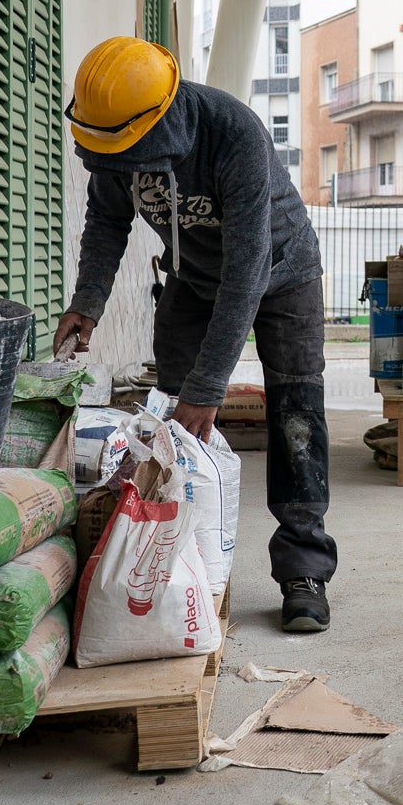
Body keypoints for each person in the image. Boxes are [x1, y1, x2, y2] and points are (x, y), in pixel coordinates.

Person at [54, 36, 335, 633]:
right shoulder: (115, 135)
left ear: (162, 116)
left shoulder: (233, 133)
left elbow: (246, 271)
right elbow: (107, 220)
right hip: (192, 276)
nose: (121, 164)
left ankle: (303, 570)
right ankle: (178, 560)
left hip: (280, 271)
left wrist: (211, 384)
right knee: (169, 426)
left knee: (296, 415)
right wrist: (88, 301)